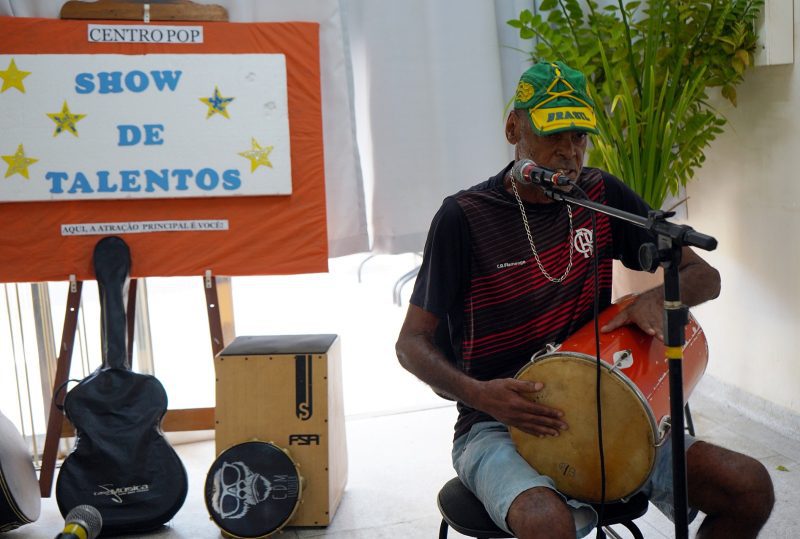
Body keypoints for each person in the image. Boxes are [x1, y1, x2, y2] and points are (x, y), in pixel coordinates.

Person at [395, 61, 774, 538]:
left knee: (749, 486)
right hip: (495, 424)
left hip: (603, 411)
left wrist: (655, 298)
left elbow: (705, 275)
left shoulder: (599, 195)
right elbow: (410, 343)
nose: (568, 154)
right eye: (554, 135)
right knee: (547, 522)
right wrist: (480, 394)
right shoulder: (464, 217)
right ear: (514, 127)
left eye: (579, 137)